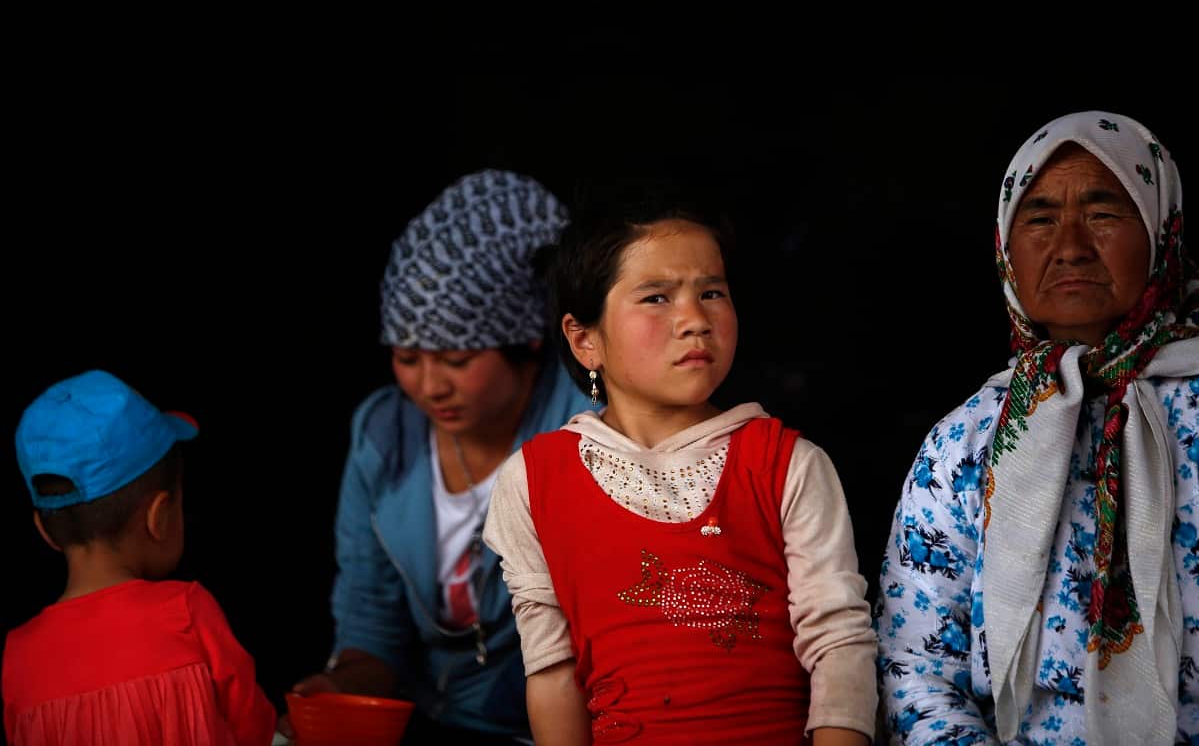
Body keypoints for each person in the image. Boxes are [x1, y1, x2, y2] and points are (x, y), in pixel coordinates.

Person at [484, 187, 879, 745]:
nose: (695, 319)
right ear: (585, 339)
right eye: (656, 297)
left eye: (712, 291)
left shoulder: (786, 463)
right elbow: (551, 673)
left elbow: (839, 646)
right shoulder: (534, 481)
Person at [875, 111, 1199, 745]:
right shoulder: (964, 443)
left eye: (1104, 213)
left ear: (1163, 233)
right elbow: (914, 667)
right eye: (1041, 218)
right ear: (1006, 251)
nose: (1071, 245)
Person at [281, 169, 591, 744]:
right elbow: (370, 615)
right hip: (429, 722)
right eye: (406, 357)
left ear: (523, 340)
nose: (428, 386)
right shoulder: (383, 432)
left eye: (454, 359)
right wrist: (340, 685)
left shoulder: (585, 434)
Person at [3, 369, 276, 746]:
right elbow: (256, 731)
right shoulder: (187, 614)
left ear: (44, 529)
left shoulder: (19, 659)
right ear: (159, 517)